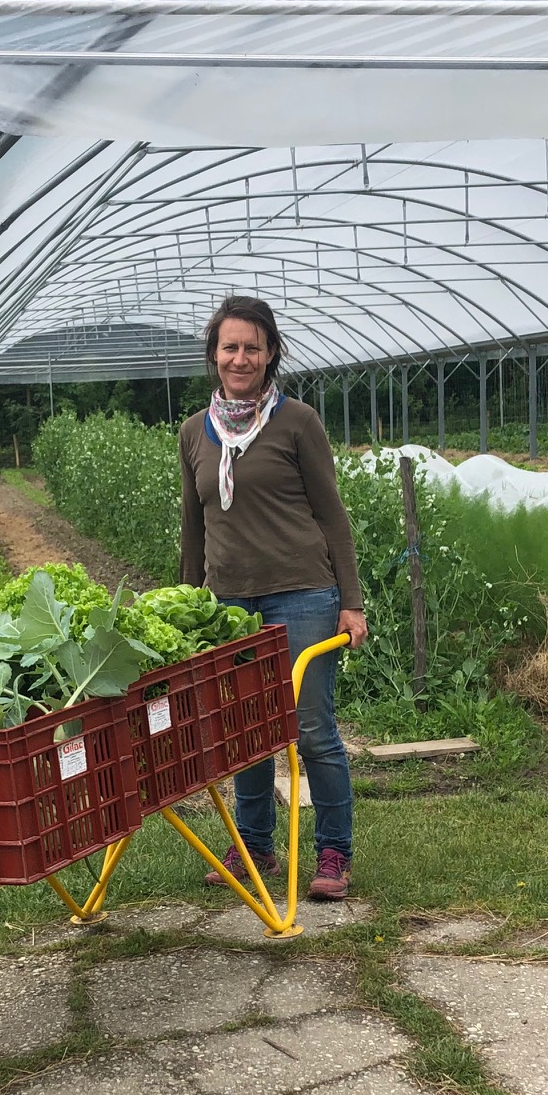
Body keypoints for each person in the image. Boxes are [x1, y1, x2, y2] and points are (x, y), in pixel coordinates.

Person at [179, 294, 367, 901]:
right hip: (230, 605)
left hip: (304, 596)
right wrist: (182, 614)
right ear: (214, 355)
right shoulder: (194, 433)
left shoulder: (297, 423)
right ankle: (254, 844)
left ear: (270, 355)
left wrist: (351, 601)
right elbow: (193, 529)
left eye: (252, 347)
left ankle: (333, 852)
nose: (240, 358)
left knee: (311, 730)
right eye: (230, 346)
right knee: (247, 731)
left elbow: (332, 517)